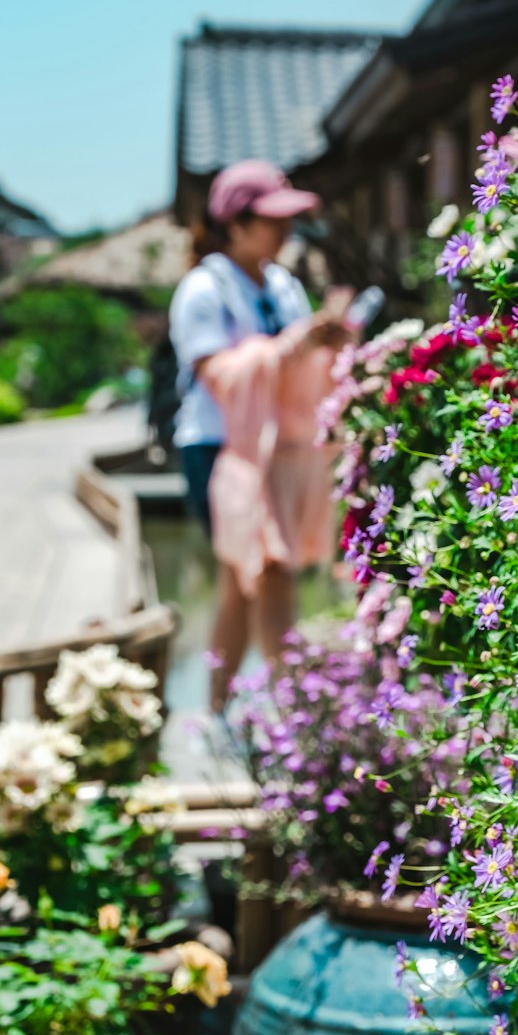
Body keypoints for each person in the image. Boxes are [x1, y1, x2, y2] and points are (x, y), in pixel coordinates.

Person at [169, 159, 348, 713]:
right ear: (235, 223)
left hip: (282, 450)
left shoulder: (283, 284)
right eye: (272, 220)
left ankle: (221, 714)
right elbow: (218, 375)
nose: (284, 231)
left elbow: (297, 367)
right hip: (221, 447)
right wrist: (291, 348)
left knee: (242, 580)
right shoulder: (203, 289)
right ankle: (295, 717)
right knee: (265, 570)